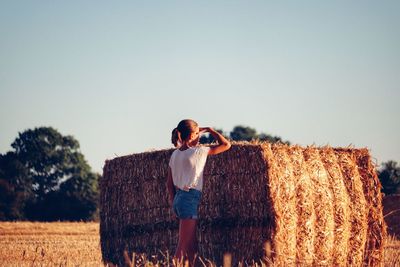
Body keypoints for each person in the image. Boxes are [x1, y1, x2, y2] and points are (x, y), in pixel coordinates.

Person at [166, 119, 231, 265]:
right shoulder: (199, 152)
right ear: (191, 136)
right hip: (189, 199)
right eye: (197, 134)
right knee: (182, 248)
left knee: (191, 246)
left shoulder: (174, 155)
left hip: (178, 200)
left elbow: (169, 184)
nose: (199, 137)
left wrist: (174, 204)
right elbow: (226, 145)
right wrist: (210, 129)